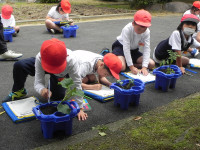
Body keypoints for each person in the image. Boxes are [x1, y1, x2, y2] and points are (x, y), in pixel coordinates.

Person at [111, 9, 155, 76]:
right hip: (120, 47)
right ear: (133, 23)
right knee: (122, 67)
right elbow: (126, 48)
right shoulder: (127, 29)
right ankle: (110, 56)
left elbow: (146, 49)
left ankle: (128, 62)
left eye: (144, 30)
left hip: (133, 50)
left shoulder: (147, 32)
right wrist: (131, 67)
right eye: (139, 29)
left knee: (151, 64)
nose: (141, 32)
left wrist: (144, 67)